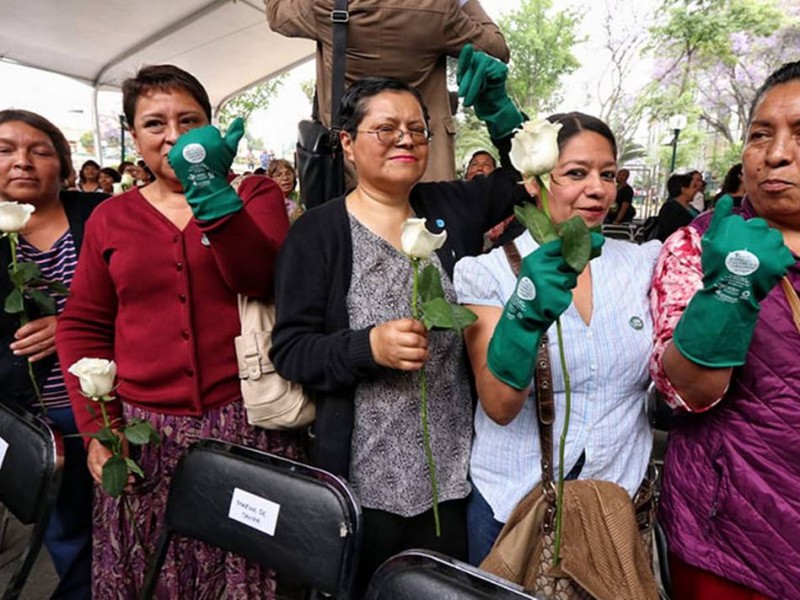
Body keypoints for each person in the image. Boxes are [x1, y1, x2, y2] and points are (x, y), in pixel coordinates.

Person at [270, 72, 529, 591]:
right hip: (362, 481)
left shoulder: (450, 207)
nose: (406, 139)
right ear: (347, 142)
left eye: (417, 128)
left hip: (454, 478)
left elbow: (530, 176)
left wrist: (502, 113)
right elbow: (291, 350)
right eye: (386, 129)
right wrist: (367, 346)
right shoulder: (317, 233)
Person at [56, 64, 302, 599]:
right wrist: (99, 426)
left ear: (212, 127)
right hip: (144, 434)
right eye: (154, 124)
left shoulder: (255, 193)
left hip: (246, 423)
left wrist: (210, 189)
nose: (174, 136)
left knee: (248, 572)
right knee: (152, 568)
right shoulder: (110, 218)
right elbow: (83, 323)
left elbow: (259, 277)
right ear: (134, 136)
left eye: (189, 120)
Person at [453, 112, 659, 566]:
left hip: (615, 509)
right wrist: (523, 314)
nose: (598, 188)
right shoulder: (486, 273)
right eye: (576, 173)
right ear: (533, 181)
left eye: (607, 174)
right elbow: (500, 405)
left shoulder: (643, 264)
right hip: (514, 506)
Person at [650, 60, 800, 600]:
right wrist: (732, 289)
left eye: (799, 135)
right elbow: (686, 391)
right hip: (732, 539)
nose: (777, 153)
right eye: (762, 134)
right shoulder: (698, 245)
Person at [0, 109, 104, 599]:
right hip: (31, 413)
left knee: (122, 511)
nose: (22, 162)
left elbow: (146, 298)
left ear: (62, 164)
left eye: (39, 150)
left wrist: (71, 327)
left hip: (107, 398)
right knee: (65, 525)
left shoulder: (100, 214)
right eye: (5, 150)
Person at [265, 0, 509, 182]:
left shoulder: (326, 4)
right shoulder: (439, 9)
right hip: (426, 168)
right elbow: (496, 47)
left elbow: (277, 13)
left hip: (352, 168)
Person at [655, 172, 699, 241]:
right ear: (684, 189)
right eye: (693, 186)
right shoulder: (670, 208)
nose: (696, 190)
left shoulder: (690, 207)